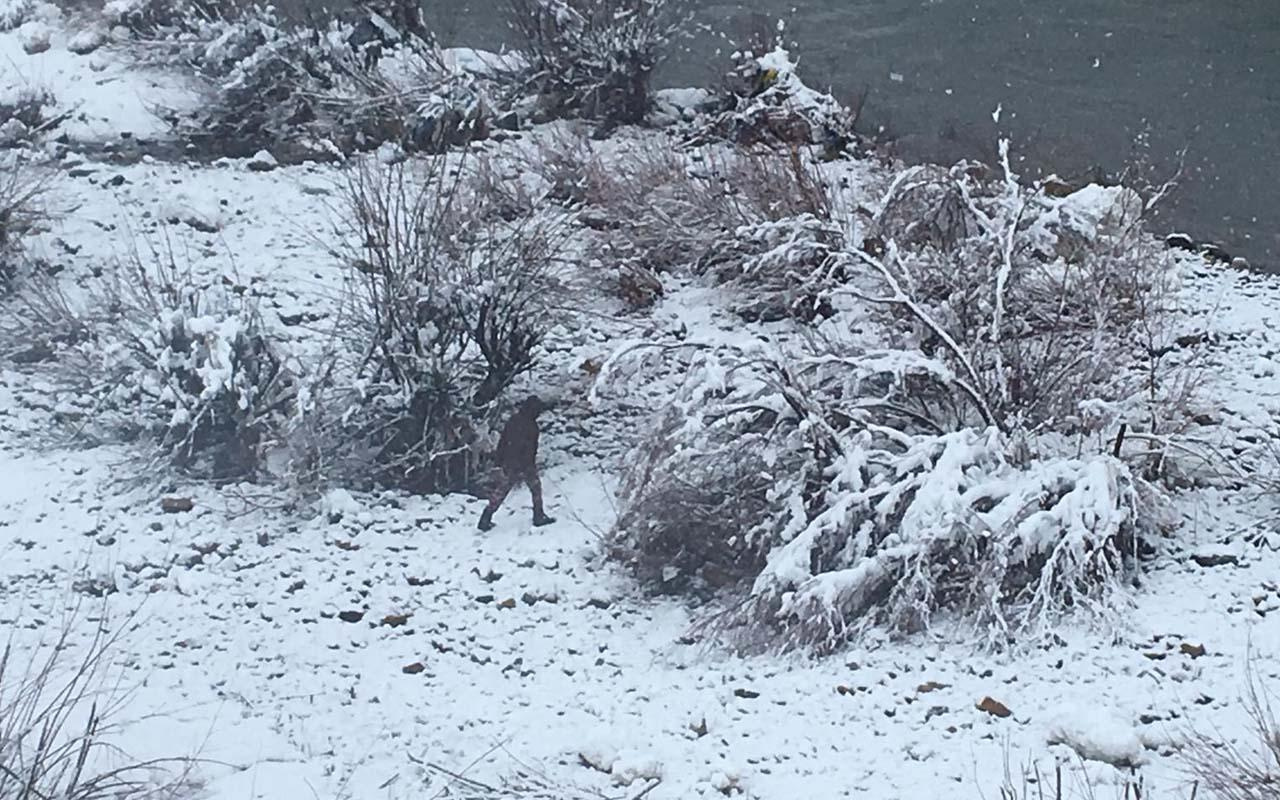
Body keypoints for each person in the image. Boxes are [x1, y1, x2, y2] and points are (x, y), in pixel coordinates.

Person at [478, 397, 555, 531]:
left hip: (510, 462)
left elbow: (503, 441)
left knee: (501, 491)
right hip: (525, 463)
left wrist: (500, 460)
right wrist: (529, 463)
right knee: (535, 488)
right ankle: (538, 516)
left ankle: (485, 518)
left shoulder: (513, 421)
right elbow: (531, 448)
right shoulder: (531, 426)